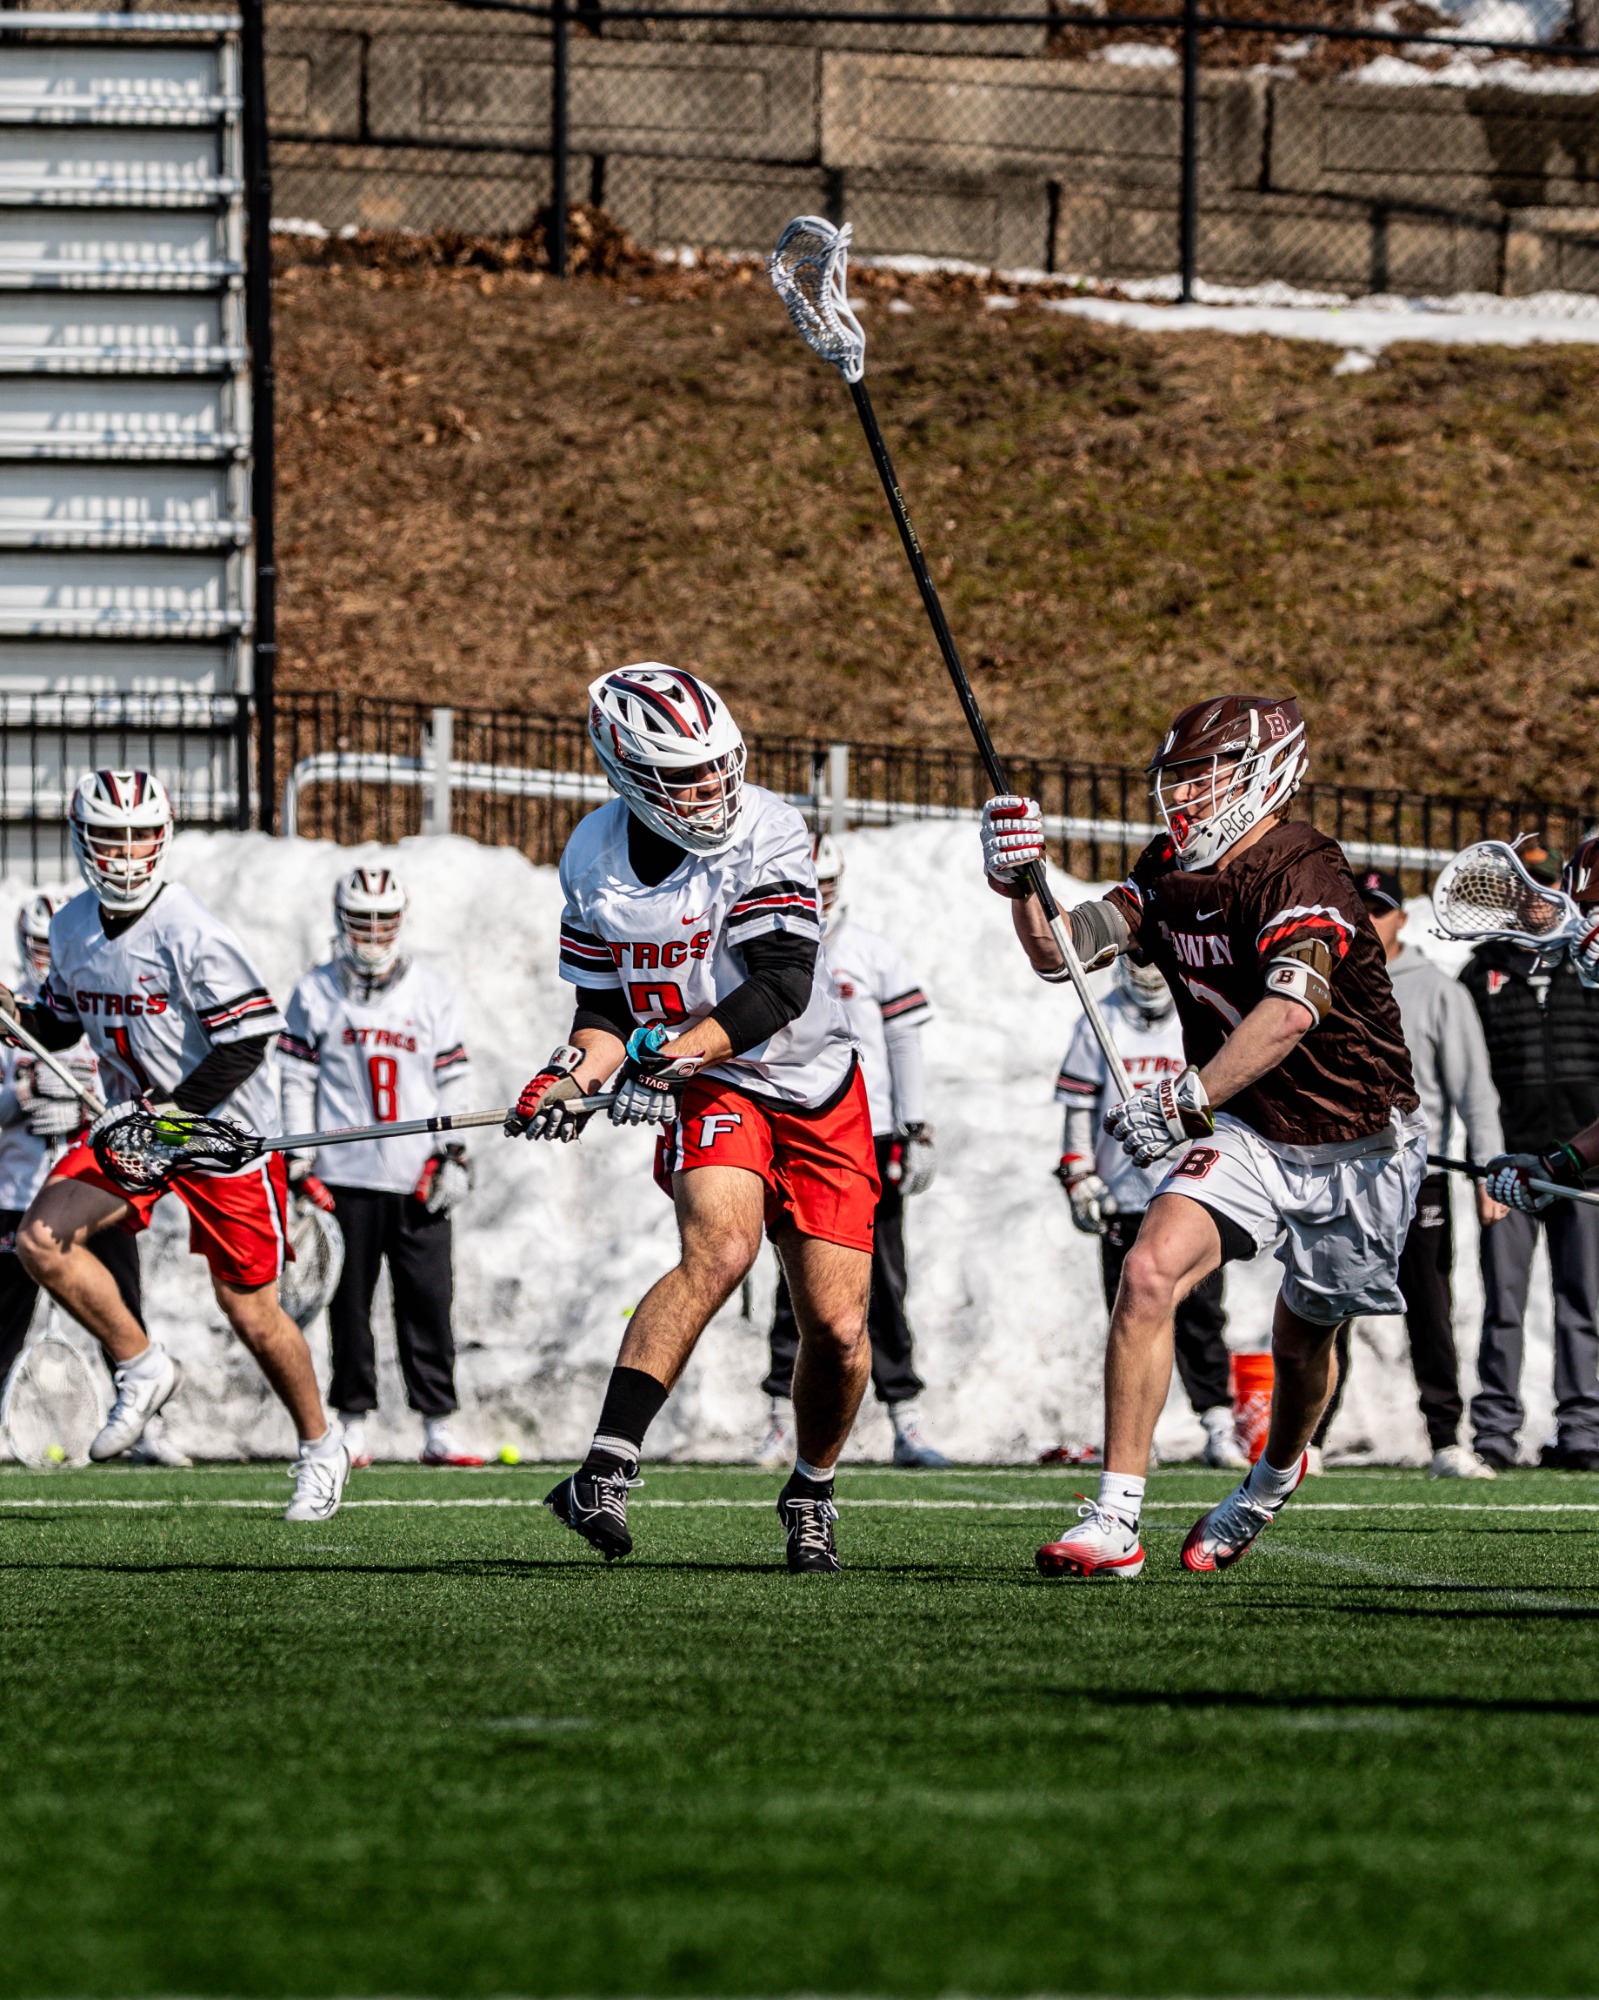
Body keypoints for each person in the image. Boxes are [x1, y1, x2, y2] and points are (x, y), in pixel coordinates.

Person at [980, 694, 1423, 1578]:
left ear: (1262, 772)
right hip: (1253, 1129)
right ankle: (1113, 1520)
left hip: (1356, 1144)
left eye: (1202, 774)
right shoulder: (1166, 868)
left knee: (1301, 1343)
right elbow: (1058, 952)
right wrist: (1019, 885)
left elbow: (1291, 1013)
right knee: (1147, 1270)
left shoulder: (1304, 869)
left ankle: (1268, 1478)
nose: (1183, 794)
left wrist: (1187, 1098)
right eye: (1175, 776)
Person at [508, 664, 876, 1573]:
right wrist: (566, 1074)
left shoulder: (768, 828)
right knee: (718, 1249)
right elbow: (601, 1014)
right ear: (627, 774)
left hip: (812, 1080)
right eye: (685, 776)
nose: (712, 789)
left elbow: (782, 986)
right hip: (719, 1086)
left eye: (719, 767)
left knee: (836, 1329)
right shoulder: (590, 856)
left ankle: (811, 1490)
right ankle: (604, 1469)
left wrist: (665, 1053)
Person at [0, 770, 349, 1520]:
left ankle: (321, 1446)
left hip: (221, 1140)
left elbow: (248, 1041)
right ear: (81, 839)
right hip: (135, 1135)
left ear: (163, 837)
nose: (125, 854)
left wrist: (169, 1116)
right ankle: (140, 1362)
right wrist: (17, 1014)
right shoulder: (70, 927)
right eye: (109, 836)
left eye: (140, 836)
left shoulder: (192, 929)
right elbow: (62, 1022)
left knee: (251, 1310)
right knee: (40, 1240)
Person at [1303, 866, 1505, 1478]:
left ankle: (1445, 1440)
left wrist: (1489, 1169)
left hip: (1421, 1179)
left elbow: (1475, 1092)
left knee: (1429, 1306)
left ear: (1402, 919)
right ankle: (1307, 1441)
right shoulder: (1323, 982)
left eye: (1381, 910)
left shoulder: (1440, 991)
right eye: (1361, 909)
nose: (1370, 921)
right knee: (1326, 1306)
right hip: (1341, 1173)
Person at [279, 866, 481, 1470]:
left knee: (428, 1301)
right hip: (342, 1175)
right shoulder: (314, 991)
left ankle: (438, 1423)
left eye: (383, 920)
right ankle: (352, 1422)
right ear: (340, 920)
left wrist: (453, 1155)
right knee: (349, 1308)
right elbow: (295, 1079)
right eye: (360, 920)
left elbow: (454, 1079)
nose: (371, 933)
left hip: (414, 1174)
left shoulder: (431, 992)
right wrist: (299, 1160)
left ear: (401, 920)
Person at [758, 835, 947, 1470]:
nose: (820, 897)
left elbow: (904, 1043)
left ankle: (904, 1416)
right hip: (796, 1128)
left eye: (828, 884)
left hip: (869, 1134)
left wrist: (914, 1126)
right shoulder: (761, 948)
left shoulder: (870, 952)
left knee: (886, 1279)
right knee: (796, 1280)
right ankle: (782, 1420)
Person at [0, 895, 183, 1461]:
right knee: (4, 1316)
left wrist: (87, 1117)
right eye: (36, 947)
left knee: (120, 1301)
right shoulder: (17, 1014)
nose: (43, 958)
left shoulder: (98, 1002)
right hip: (22, 1186)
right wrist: (21, 1100)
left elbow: (124, 1087)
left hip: (97, 1179)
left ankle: (146, 1423)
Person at [1056, 952, 1247, 1472]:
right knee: (1130, 1319)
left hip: (1190, 1193)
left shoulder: (1197, 1017)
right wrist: (1078, 1171)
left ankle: (1217, 1423)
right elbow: (1079, 1104)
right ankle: (1140, 1435)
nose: (1146, 970)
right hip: (1123, 1194)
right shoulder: (1101, 1018)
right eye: (1136, 959)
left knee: (1203, 1316)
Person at [1473, 836, 1599, 1469]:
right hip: (1512, 1163)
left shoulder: (1591, 961)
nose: (1543, 900)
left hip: (1586, 1161)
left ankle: (1583, 1428)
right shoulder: (1483, 967)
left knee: (1584, 1302)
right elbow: (1472, 1078)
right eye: (1532, 887)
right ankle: (1495, 1432)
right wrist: (1486, 1158)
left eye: (1552, 887)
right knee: (1504, 1303)